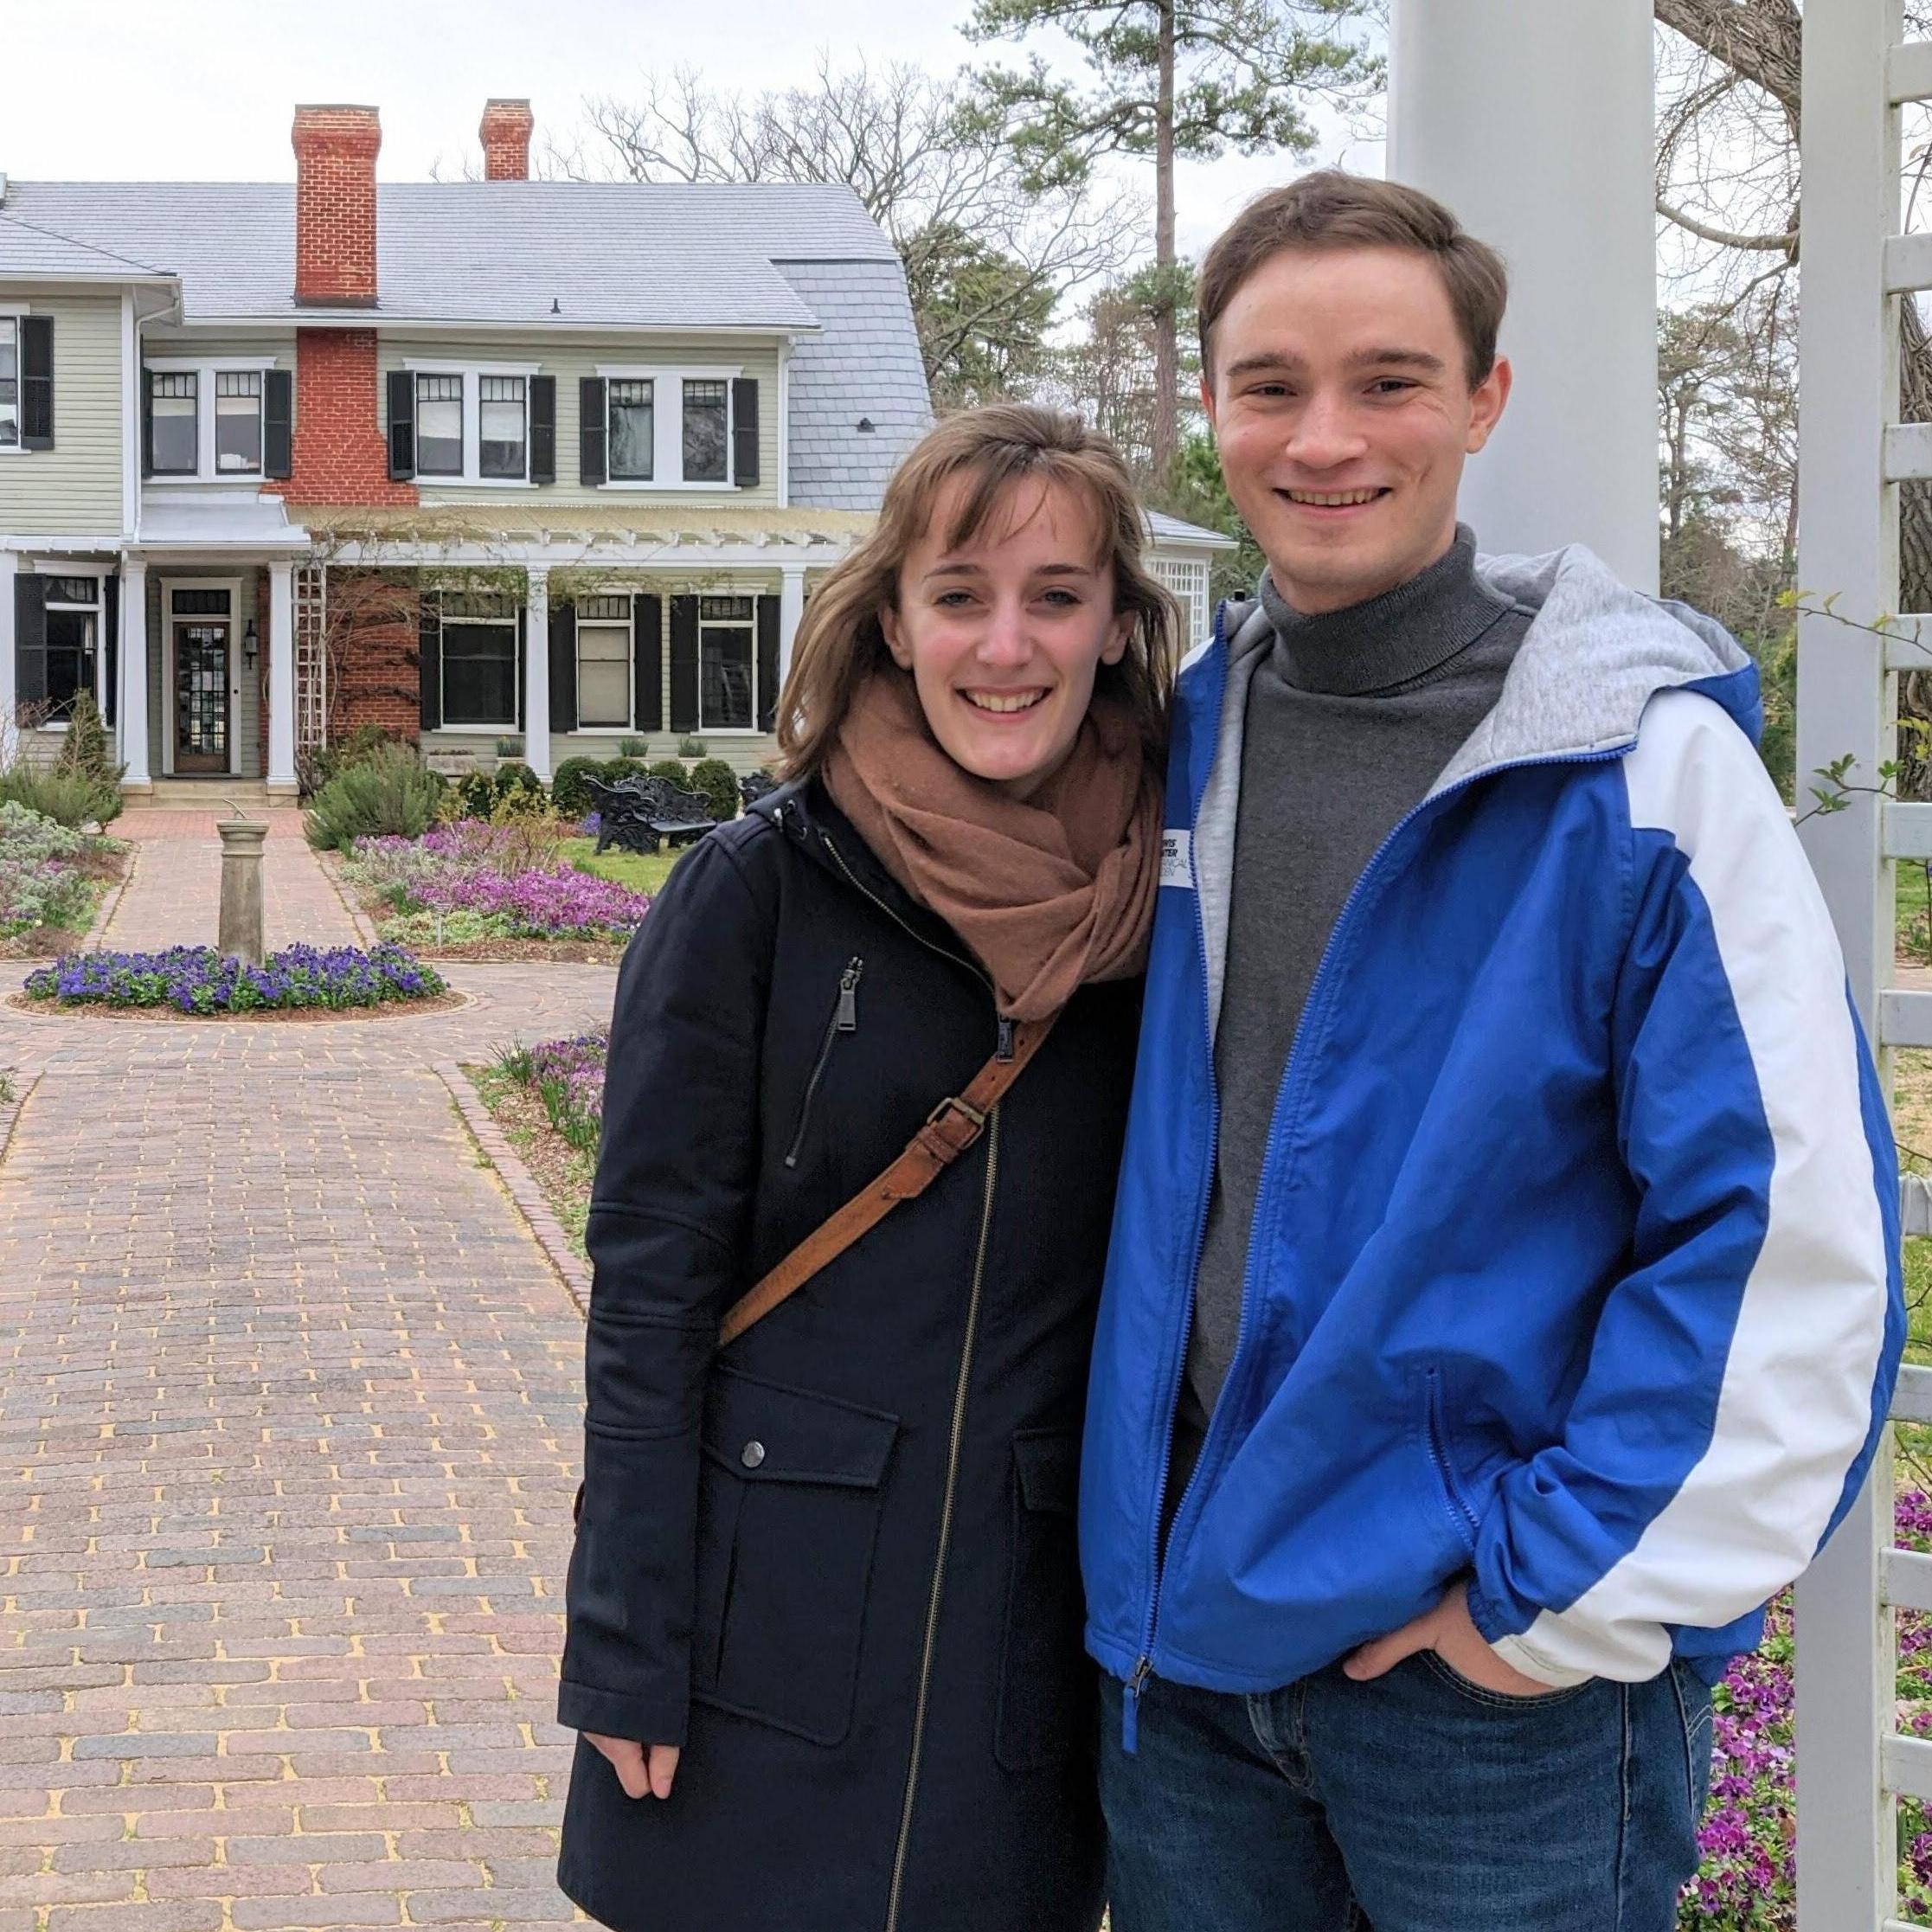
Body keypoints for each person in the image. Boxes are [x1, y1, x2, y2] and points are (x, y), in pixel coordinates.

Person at [1079, 170, 1906, 1931]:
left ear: (1481, 400)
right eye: (1270, 386)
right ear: (1209, 408)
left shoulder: (1642, 770)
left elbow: (1789, 1238)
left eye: (1386, 381)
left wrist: (1549, 1611)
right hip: (1187, 1670)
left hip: (1494, 1706)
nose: (1323, 439)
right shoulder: (1178, 740)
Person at [555, 403, 1172, 1932]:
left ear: (1115, 624)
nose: (1005, 645)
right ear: (893, 620)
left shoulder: (1166, 910)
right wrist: (626, 1640)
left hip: (1023, 1643)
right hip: (760, 1621)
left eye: (1054, 596)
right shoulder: (756, 888)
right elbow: (648, 1292)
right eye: (959, 595)